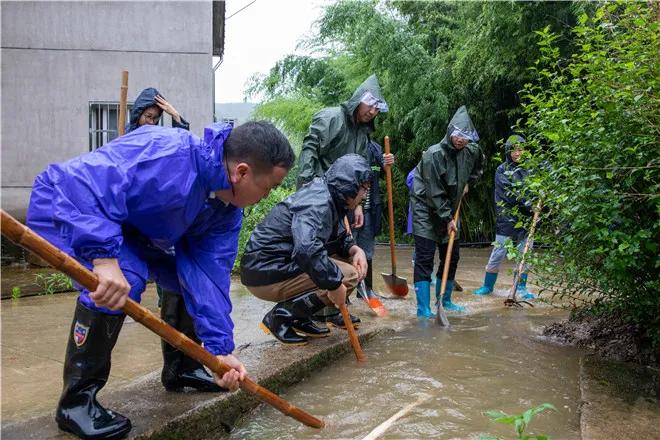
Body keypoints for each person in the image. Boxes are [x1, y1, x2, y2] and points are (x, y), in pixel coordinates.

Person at [26, 120, 294, 440]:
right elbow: (82, 184)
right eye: (269, 188)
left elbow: (208, 277)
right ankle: (76, 402)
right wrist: (104, 259)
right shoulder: (169, 154)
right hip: (71, 207)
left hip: (133, 232)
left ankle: (182, 368)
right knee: (124, 281)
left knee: (185, 279)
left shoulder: (225, 212)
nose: (266, 197)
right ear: (243, 172)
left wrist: (219, 350)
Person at [125, 86, 220, 393]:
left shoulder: (163, 142)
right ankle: (174, 369)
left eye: (156, 117)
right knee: (170, 303)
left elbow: (184, 154)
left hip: (175, 229)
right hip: (149, 235)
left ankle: (190, 365)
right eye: (147, 117)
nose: (151, 123)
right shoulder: (127, 144)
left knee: (189, 296)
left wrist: (178, 119)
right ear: (137, 117)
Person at [240, 154, 370, 345]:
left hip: (282, 264)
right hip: (265, 270)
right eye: (363, 189)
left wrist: (354, 250)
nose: (364, 196)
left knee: (348, 263)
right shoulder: (318, 202)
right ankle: (281, 317)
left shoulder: (329, 197)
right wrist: (334, 285)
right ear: (349, 185)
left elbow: (336, 238)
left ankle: (299, 318)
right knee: (347, 275)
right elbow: (306, 248)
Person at [297, 74, 393, 325]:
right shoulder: (331, 118)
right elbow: (310, 151)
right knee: (318, 251)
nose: (372, 111)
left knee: (340, 250)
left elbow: (359, 170)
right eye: (370, 105)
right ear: (357, 101)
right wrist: (311, 190)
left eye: (376, 108)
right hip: (317, 197)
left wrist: (358, 204)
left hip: (344, 200)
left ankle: (336, 308)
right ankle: (312, 311)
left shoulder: (363, 134)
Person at [410, 106, 484, 318]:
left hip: (451, 208)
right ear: (450, 132)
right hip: (426, 207)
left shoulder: (472, 151)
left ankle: (445, 300)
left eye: (465, 136)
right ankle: (423, 308)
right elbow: (434, 192)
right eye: (457, 135)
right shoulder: (433, 155)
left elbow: (479, 167)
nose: (461, 140)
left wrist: (470, 181)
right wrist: (447, 219)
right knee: (425, 257)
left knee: (452, 256)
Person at [474, 135, 536, 299]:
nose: (518, 153)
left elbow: (536, 191)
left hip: (528, 218)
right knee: (499, 251)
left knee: (525, 253)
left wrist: (538, 203)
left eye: (521, 149)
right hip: (507, 217)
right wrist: (529, 204)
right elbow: (509, 193)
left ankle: (521, 287)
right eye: (514, 150)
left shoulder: (531, 169)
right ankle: (487, 286)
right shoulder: (502, 170)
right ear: (508, 151)